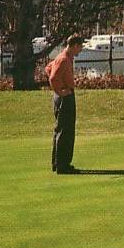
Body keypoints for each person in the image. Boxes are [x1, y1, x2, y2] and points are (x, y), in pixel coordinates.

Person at [47, 34, 84, 175]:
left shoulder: (65, 58)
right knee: (65, 131)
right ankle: (63, 165)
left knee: (63, 129)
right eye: (79, 47)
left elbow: (48, 68)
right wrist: (60, 91)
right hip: (64, 97)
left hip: (65, 95)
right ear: (74, 45)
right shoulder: (63, 59)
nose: (80, 50)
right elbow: (53, 76)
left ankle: (58, 163)